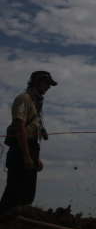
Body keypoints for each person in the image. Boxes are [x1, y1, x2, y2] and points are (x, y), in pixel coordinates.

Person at [0, 71, 57, 214]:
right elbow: (20, 127)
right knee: (15, 191)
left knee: (28, 192)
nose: (48, 87)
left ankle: (21, 226)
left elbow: (35, 130)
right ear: (36, 81)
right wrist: (26, 155)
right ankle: (5, 224)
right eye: (46, 84)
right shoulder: (23, 99)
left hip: (31, 148)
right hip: (20, 149)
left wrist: (35, 156)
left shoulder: (36, 101)